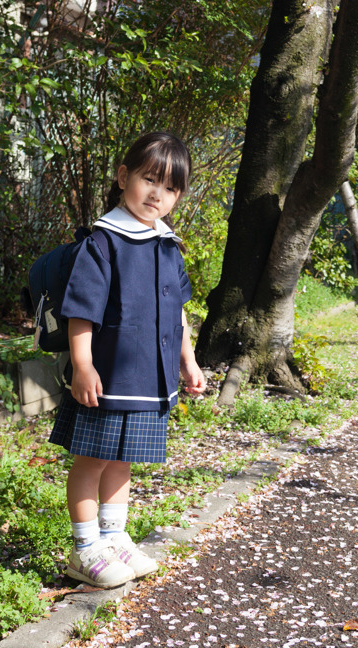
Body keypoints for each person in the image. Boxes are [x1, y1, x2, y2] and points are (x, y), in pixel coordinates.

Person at [49, 131, 206, 589]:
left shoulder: (166, 245)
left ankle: (113, 538)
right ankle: (84, 549)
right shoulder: (103, 242)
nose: (158, 193)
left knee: (123, 461)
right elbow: (80, 310)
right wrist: (82, 365)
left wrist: (187, 361)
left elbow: (177, 312)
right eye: (149, 179)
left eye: (171, 187)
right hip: (107, 376)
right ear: (124, 177)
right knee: (93, 460)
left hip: (148, 377)